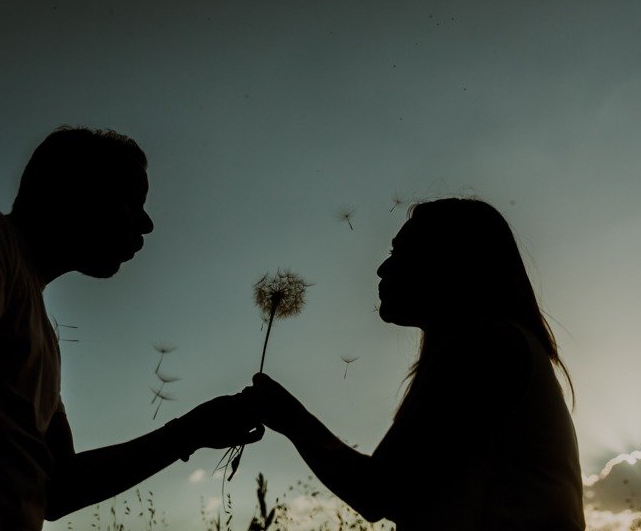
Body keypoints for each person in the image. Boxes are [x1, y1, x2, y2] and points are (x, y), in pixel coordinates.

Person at [0, 126, 263, 531]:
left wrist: (189, 431)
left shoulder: (41, 334)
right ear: (76, 191)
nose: (146, 223)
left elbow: (58, 487)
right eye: (132, 200)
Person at [246, 197, 586, 530]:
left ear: (452, 260)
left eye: (400, 252)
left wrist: (288, 416)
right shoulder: (498, 344)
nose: (383, 268)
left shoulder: (486, 346)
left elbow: (379, 491)